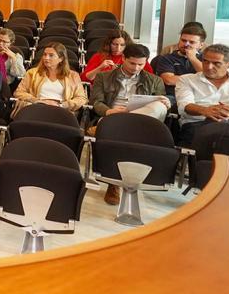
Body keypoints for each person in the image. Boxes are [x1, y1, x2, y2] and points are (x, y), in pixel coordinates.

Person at [88, 43, 169, 204]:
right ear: (123, 58)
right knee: (125, 136)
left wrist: (166, 101)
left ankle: (115, 181)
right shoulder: (104, 77)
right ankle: (117, 181)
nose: (136, 68)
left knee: (160, 105)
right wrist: (109, 111)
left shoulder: (154, 80)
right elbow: (96, 102)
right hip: (113, 117)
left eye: (141, 64)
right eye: (132, 63)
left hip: (141, 121)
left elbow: (160, 102)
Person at [174, 44, 229, 146]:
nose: (209, 67)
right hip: (198, 124)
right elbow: (185, 105)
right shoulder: (187, 80)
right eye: (205, 61)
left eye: (216, 63)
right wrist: (205, 111)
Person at [11, 43, 87, 118]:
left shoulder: (73, 76)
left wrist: (62, 105)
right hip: (36, 108)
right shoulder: (32, 73)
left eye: (51, 55)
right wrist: (37, 101)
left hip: (61, 111)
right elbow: (19, 92)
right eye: (44, 54)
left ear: (61, 59)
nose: (46, 58)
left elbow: (81, 98)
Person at [151, 24, 206, 94]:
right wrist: (200, 80)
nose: (186, 44)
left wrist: (192, 58)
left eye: (192, 42)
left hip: (200, 96)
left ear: (201, 45)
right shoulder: (166, 58)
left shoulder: (207, 59)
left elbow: (209, 77)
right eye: (183, 40)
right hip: (173, 96)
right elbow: (169, 80)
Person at [81, 30, 153, 82]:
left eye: (122, 45)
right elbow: (83, 79)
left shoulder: (135, 57)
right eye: (115, 44)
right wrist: (100, 68)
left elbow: (151, 78)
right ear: (109, 44)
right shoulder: (99, 56)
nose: (118, 48)